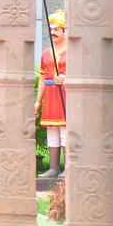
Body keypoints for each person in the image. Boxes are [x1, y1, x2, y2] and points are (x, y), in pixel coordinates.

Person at [34, 9, 68, 178]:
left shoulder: (72, 52)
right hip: (50, 96)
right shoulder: (46, 53)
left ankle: (68, 168)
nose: (53, 32)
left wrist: (66, 79)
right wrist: (37, 102)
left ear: (65, 31)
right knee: (52, 131)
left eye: (57, 29)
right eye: (51, 29)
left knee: (64, 130)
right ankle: (54, 168)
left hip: (65, 96)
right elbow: (42, 78)